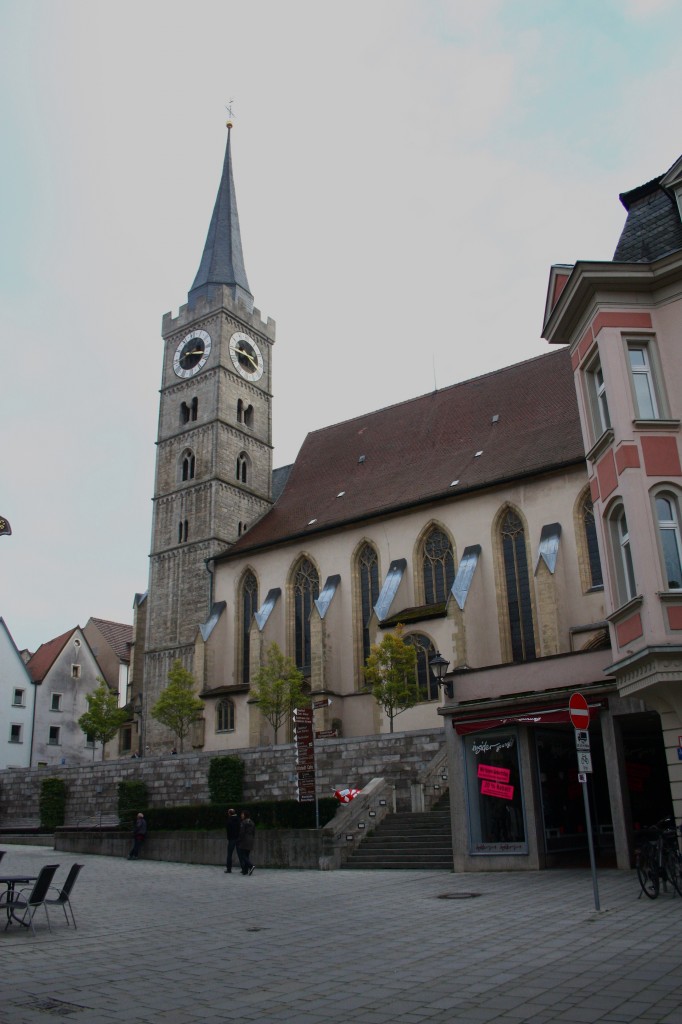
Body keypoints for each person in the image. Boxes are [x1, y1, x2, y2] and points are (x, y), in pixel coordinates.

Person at [238, 810, 256, 875]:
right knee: (247, 855)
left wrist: (239, 840)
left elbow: (242, 832)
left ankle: (251, 866)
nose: (241, 815)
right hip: (250, 840)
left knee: (242, 855)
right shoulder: (252, 822)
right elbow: (254, 832)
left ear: (245, 815)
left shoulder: (243, 822)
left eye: (242, 814)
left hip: (244, 840)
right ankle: (245, 871)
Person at [225, 808, 241, 873]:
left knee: (229, 854)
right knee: (240, 854)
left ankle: (229, 869)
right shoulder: (238, 819)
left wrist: (229, 838)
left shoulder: (229, 820)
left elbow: (228, 830)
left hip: (231, 838)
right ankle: (243, 868)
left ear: (229, 813)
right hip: (238, 838)